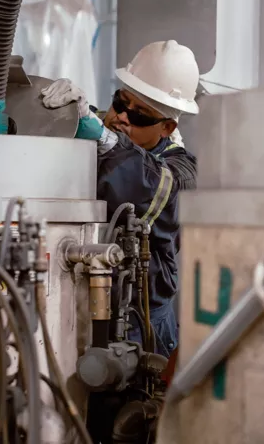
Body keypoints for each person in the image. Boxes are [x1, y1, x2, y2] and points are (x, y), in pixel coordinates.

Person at [41, 40, 199, 358]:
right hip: (76, 305)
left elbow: (151, 186)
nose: (122, 117)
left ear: (167, 127)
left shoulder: (182, 171)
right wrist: (57, 112)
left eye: (140, 116)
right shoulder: (97, 126)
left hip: (140, 324)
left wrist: (101, 137)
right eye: (120, 103)